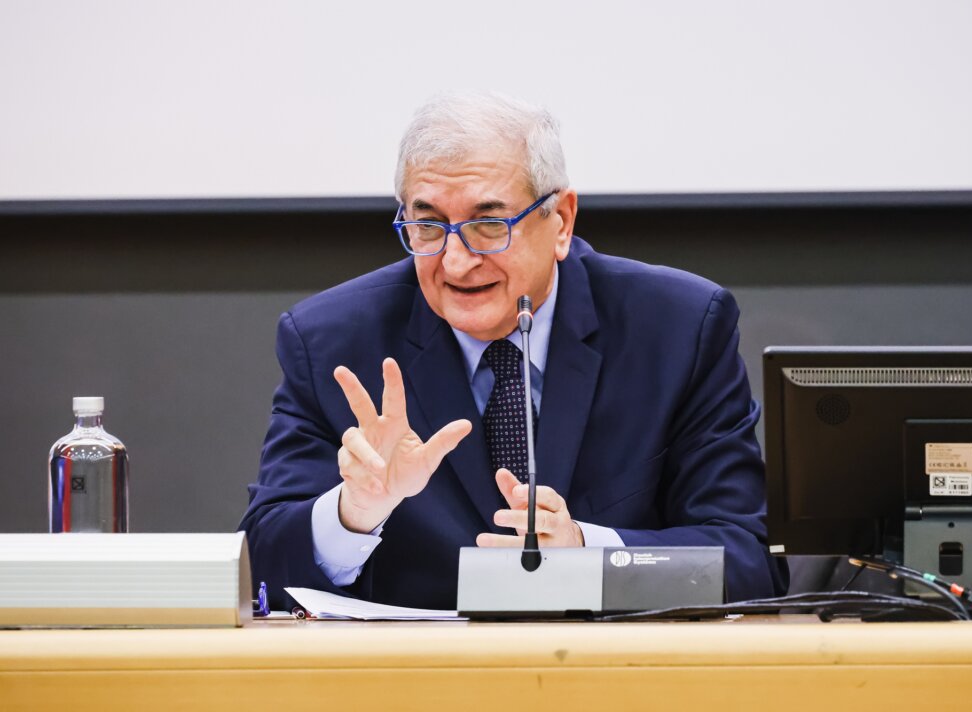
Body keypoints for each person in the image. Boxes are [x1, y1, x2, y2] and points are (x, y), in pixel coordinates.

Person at [239, 91, 789, 610]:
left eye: (488, 225)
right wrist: (355, 511)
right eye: (428, 226)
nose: (456, 262)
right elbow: (259, 566)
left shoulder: (676, 328)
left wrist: (586, 552)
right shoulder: (333, 341)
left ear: (561, 221)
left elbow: (749, 559)